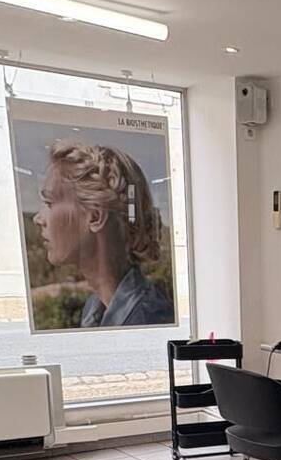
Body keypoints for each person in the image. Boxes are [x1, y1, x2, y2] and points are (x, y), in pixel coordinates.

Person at [33, 139, 175, 327]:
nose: (38, 218)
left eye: (50, 203)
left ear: (95, 217)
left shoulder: (149, 318)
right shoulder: (94, 307)